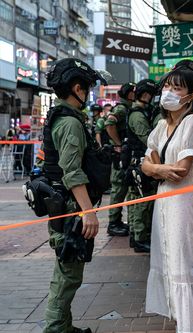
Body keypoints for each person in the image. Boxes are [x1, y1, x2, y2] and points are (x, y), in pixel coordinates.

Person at [141, 65, 193, 332]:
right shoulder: (161, 125)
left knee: (186, 261)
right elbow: (147, 159)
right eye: (167, 87)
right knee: (169, 259)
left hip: (183, 203)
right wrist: (155, 168)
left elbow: (180, 170)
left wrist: (155, 169)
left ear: (191, 96)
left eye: (177, 88)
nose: (169, 92)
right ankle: (184, 322)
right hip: (164, 200)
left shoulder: (192, 122)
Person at [42, 58, 110, 333]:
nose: (89, 94)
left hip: (68, 206)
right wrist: (88, 212)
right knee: (67, 274)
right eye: (88, 88)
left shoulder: (65, 117)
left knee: (68, 270)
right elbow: (72, 172)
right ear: (77, 88)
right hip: (71, 208)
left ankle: (64, 326)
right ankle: (56, 328)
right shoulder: (69, 123)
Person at [126, 78, 157, 253]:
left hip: (139, 162)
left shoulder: (141, 112)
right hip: (138, 163)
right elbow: (148, 139)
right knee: (140, 203)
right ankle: (139, 238)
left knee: (137, 201)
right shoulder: (137, 115)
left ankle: (136, 236)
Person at [105, 82, 136, 237]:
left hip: (124, 153)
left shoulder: (128, 108)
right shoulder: (122, 109)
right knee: (118, 188)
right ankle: (113, 223)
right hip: (120, 155)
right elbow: (109, 123)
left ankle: (117, 221)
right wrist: (118, 144)